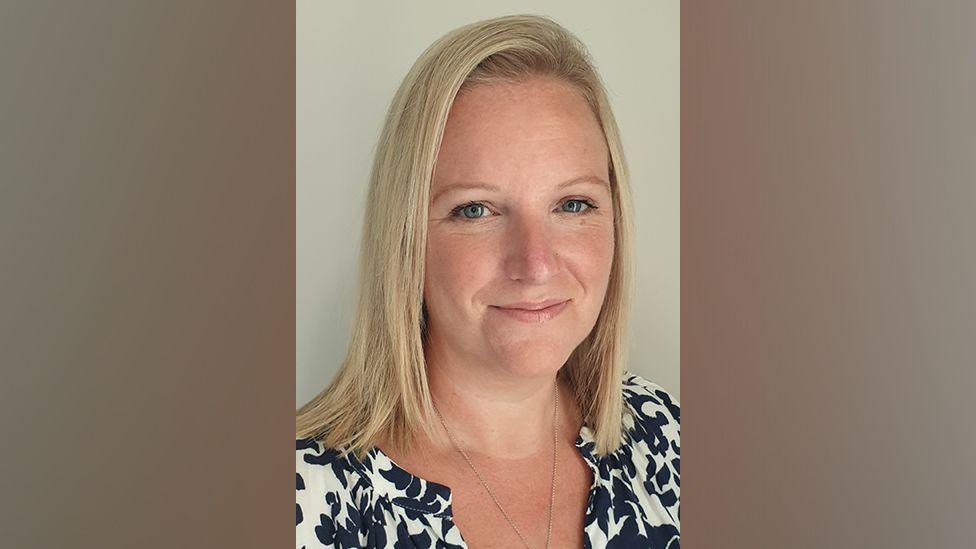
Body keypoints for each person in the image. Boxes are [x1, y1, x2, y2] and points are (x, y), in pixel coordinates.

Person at [296, 14, 679, 549]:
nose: (536, 263)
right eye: (476, 209)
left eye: (573, 204)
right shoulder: (305, 501)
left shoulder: (664, 436)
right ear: (405, 239)